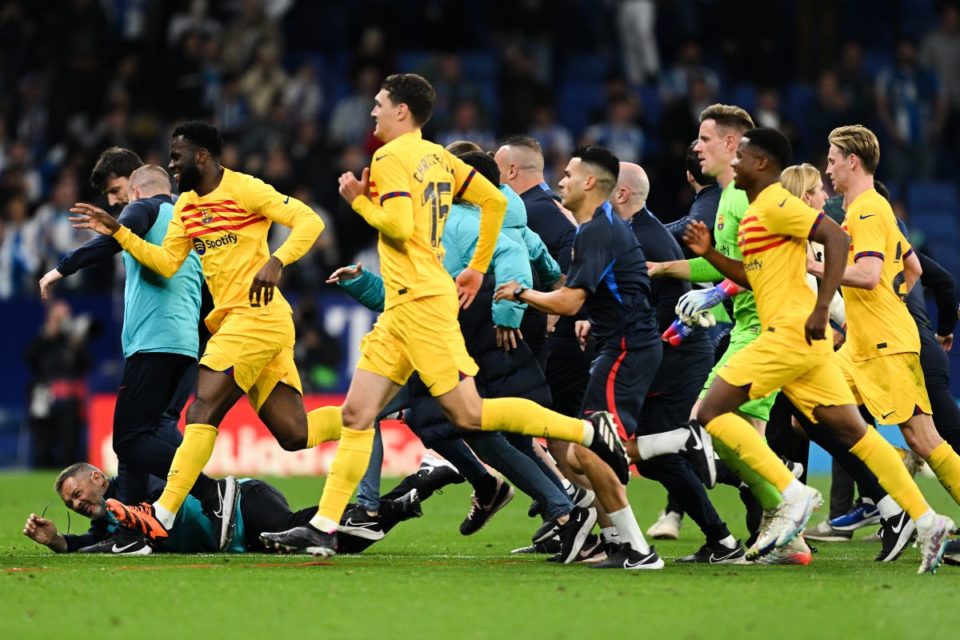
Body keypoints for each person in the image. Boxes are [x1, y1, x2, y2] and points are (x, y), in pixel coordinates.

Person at [259, 74, 627, 558]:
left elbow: (397, 224)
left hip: (421, 304)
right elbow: (497, 200)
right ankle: (325, 527)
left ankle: (587, 431)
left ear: (401, 112)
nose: (372, 113)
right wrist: (476, 269)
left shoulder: (389, 158)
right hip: (405, 304)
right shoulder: (438, 156)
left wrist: (358, 201)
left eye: (379, 104)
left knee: (468, 414)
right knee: (357, 414)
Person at [683, 126, 953, 574]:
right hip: (813, 345)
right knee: (856, 436)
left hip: (791, 335)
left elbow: (839, 242)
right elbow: (756, 277)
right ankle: (926, 520)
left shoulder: (777, 202)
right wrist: (710, 254)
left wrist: (822, 306)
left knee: (707, 414)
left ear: (763, 164)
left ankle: (792, 493)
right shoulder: (754, 215)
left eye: (742, 156)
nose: (735, 162)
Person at [67, 121, 327, 548]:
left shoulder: (246, 189)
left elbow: (308, 221)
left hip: (254, 316)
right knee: (294, 433)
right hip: (244, 322)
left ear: (201, 156)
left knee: (201, 411)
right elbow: (167, 262)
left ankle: (164, 513)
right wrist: (120, 234)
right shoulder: (186, 206)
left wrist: (278, 260)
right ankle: (363, 416)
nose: (171, 165)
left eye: (177, 156)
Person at [497, 146, 674, 570]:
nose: (561, 181)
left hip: (626, 348)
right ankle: (620, 541)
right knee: (582, 452)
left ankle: (640, 543)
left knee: (592, 451)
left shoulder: (596, 231)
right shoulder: (601, 227)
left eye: (569, 174)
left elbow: (570, 301)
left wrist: (522, 293)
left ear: (590, 182)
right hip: (623, 346)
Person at [40, 161, 231, 526]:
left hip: (153, 342)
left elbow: (114, 238)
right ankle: (141, 517)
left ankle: (209, 494)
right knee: (155, 431)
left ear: (135, 189)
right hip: (186, 345)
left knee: (128, 440)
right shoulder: (188, 217)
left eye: (120, 195)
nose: (119, 204)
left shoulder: (144, 207)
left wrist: (61, 268)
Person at [648, 105, 786, 546]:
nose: (696, 147)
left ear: (732, 144)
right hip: (753, 324)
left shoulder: (748, 196)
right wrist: (667, 268)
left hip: (766, 328)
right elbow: (726, 265)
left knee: (705, 421)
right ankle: (787, 531)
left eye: (704, 139)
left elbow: (757, 267)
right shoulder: (729, 196)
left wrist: (715, 293)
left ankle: (791, 496)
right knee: (745, 440)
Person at [611, 161, 747, 564]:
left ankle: (750, 475)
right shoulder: (634, 233)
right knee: (653, 461)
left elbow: (665, 308)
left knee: (648, 452)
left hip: (678, 356)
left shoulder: (646, 239)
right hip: (667, 354)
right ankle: (722, 539)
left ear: (621, 194)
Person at [22, 461, 430, 556]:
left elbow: (170, 492)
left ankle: (410, 491)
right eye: (69, 503)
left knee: (296, 526)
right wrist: (57, 539)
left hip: (240, 503)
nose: (77, 503)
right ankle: (415, 488)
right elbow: (93, 548)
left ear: (97, 477)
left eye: (76, 493)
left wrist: (133, 522)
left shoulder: (135, 478)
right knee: (334, 544)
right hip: (237, 541)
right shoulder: (110, 522)